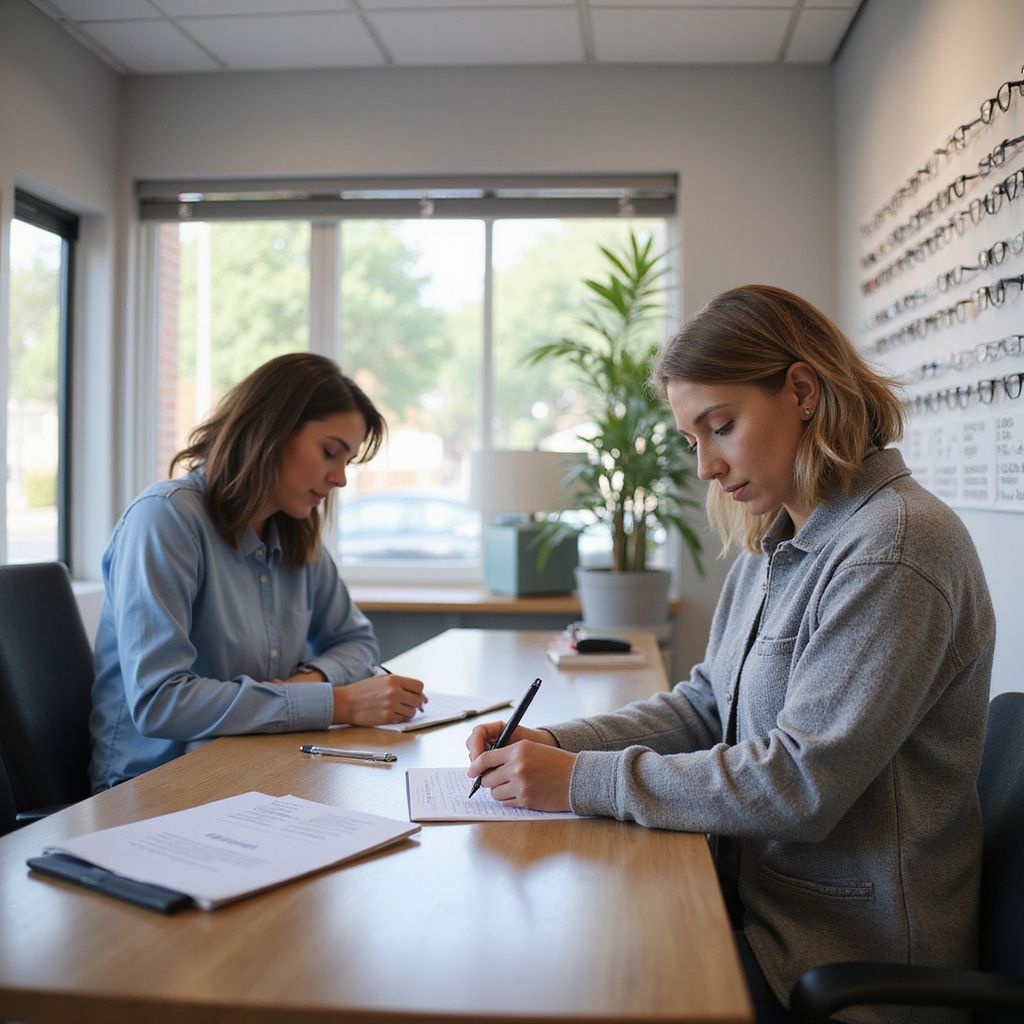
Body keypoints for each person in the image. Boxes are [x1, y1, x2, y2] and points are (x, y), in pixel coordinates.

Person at [466, 285, 994, 1024]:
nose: (707, 466)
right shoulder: (780, 539)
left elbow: (800, 783)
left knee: (576, 982)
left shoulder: (895, 550)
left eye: (721, 427)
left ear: (803, 391)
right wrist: (554, 744)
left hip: (838, 960)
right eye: (694, 440)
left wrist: (580, 779)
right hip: (757, 911)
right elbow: (707, 704)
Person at [90, 352, 426, 791]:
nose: (341, 479)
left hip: (255, 767)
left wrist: (309, 682)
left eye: (348, 461)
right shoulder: (165, 519)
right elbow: (160, 702)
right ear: (270, 429)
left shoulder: (295, 532)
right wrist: (336, 703)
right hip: (155, 788)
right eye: (330, 452)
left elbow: (355, 640)